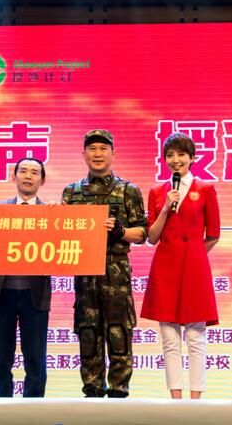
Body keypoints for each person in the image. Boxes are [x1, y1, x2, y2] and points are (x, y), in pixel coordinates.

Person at [61, 129, 147, 398]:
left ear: (113, 153)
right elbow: (61, 232)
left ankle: (119, 393)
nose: (97, 154)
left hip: (115, 272)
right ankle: (92, 393)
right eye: (92, 149)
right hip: (84, 273)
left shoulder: (128, 190)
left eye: (103, 149)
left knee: (119, 333)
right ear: (83, 154)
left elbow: (142, 234)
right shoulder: (72, 192)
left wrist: (121, 231)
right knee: (88, 334)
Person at [140, 132, 219, 400]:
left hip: (195, 269)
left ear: (192, 158)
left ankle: (195, 400)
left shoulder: (205, 189)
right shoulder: (157, 192)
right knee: (170, 339)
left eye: (181, 154)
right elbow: (151, 237)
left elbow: (214, 234)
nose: (175, 160)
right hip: (165, 268)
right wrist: (166, 208)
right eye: (170, 155)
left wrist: (193, 255)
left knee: (196, 337)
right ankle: (175, 399)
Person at [0, 157, 52, 397]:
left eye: (34, 172)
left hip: (35, 295)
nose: (28, 176)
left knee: (35, 357)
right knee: (0, 356)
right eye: (23, 171)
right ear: (13, 177)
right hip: (1, 293)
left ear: (42, 180)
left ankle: (34, 408)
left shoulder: (50, 214)